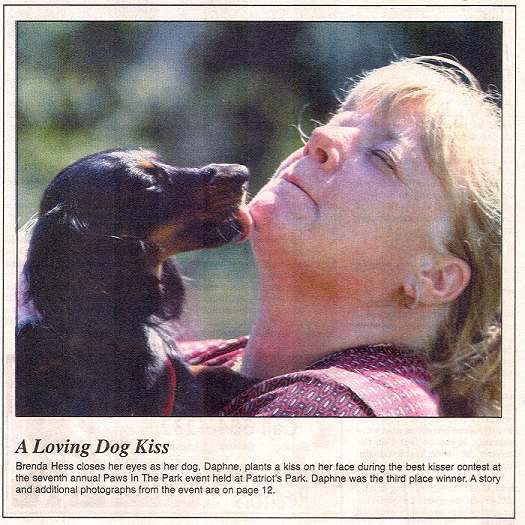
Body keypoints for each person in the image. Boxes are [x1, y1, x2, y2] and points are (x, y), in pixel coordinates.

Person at [184, 56, 501, 417]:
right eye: (337, 121)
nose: (319, 137)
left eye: (383, 157)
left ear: (435, 277)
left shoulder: (332, 410)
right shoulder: (207, 361)